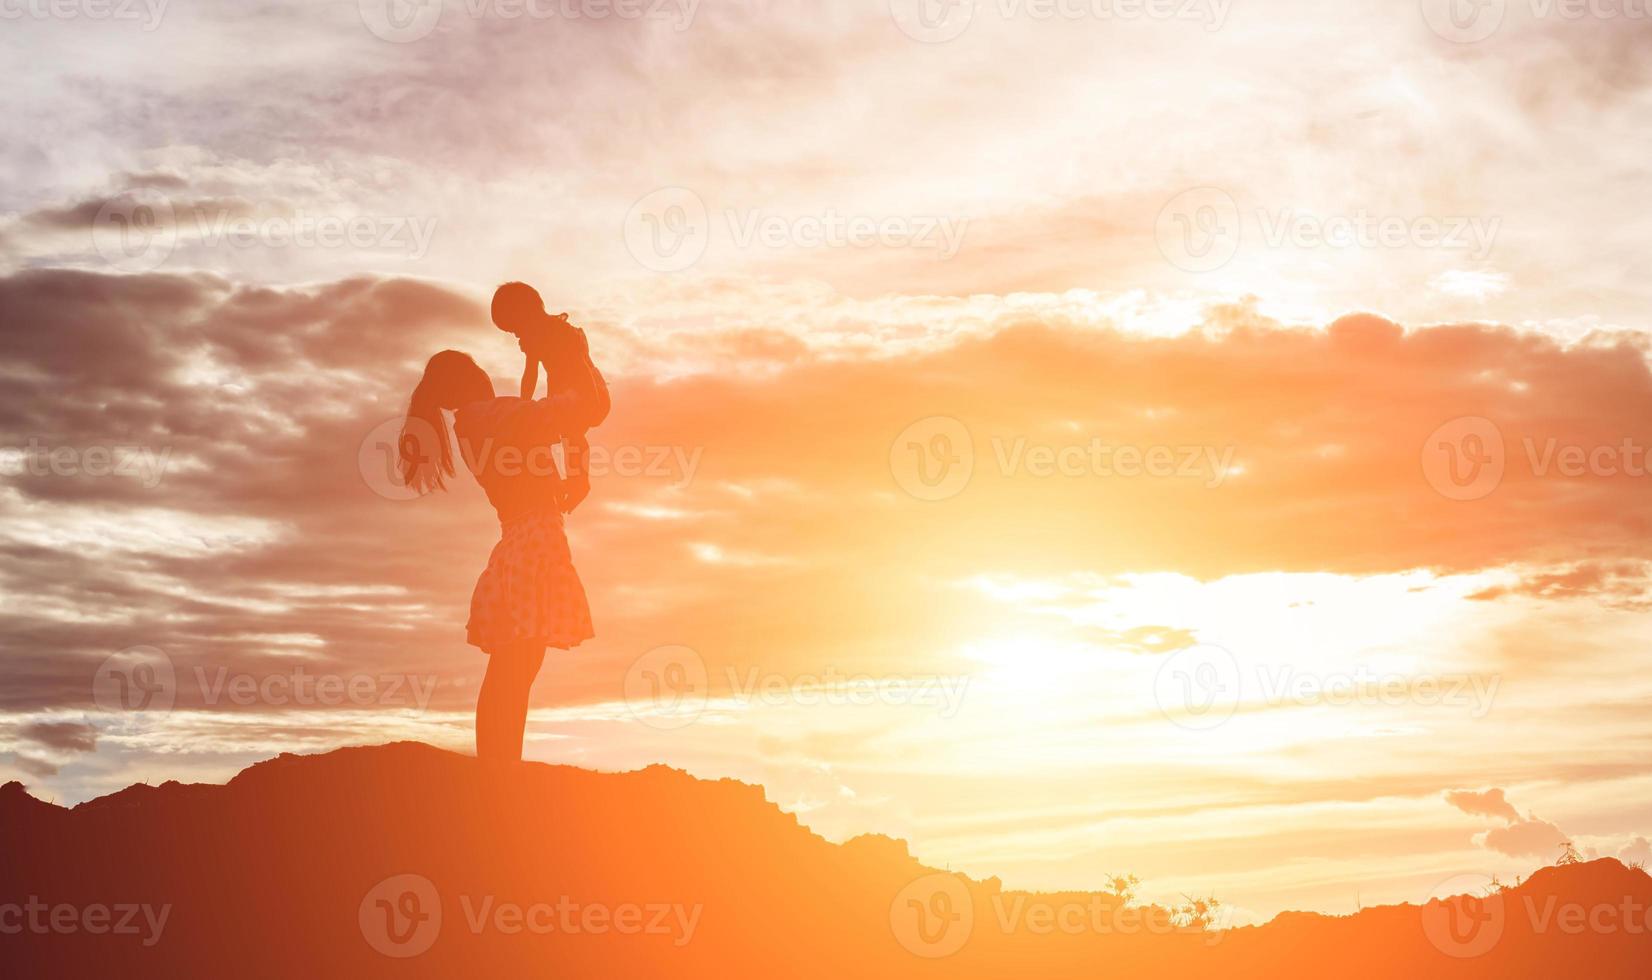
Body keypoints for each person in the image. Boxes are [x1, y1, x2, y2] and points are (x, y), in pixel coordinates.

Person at [398, 346, 607, 763]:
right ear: (467, 381)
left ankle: (499, 765)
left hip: (523, 537)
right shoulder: (487, 416)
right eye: (476, 368)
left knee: (515, 667)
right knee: (516, 668)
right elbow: (570, 410)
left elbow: (545, 422)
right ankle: (499, 767)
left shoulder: (477, 421)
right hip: (534, 539)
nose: (485, 373)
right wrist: (574, 353)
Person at [489, 282, 608, 513]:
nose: (515, 334)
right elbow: (530, 373)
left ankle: (579, 483)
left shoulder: (560, 332)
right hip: (566, 393)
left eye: (513, 327)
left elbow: (582, 367)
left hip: (587, 390)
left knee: (572, 434)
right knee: (562, 434)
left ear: (525, 313)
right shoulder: (535, 337)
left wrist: (588, 400)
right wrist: (524, 404)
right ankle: (569, 483)